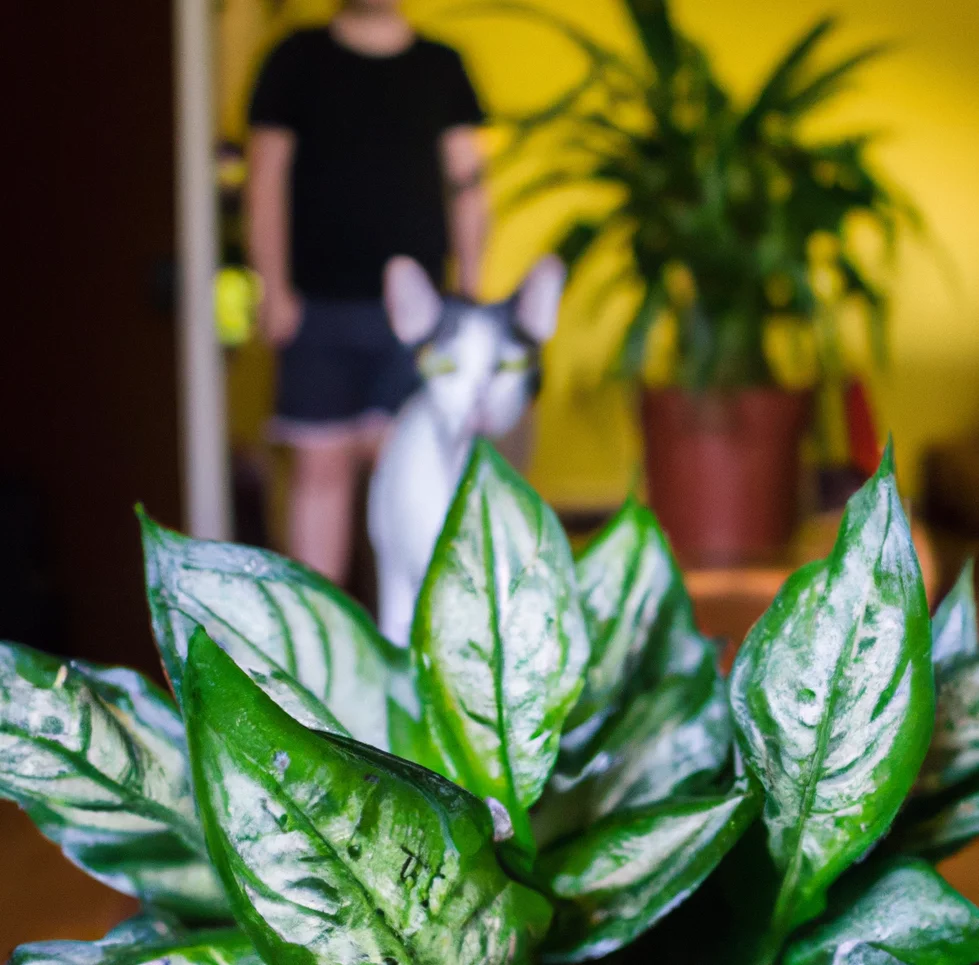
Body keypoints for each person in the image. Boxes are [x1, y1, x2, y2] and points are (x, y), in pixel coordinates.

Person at [246, 0, 488, 585]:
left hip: (418, 317)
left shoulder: (442, 65)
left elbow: (470, 183)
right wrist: (272, 289)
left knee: (404, 470)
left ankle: (405, 647)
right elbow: (266, 178)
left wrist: (470, 289)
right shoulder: (294, 58)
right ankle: (319, 639)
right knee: (319, 470)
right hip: (315, 308)